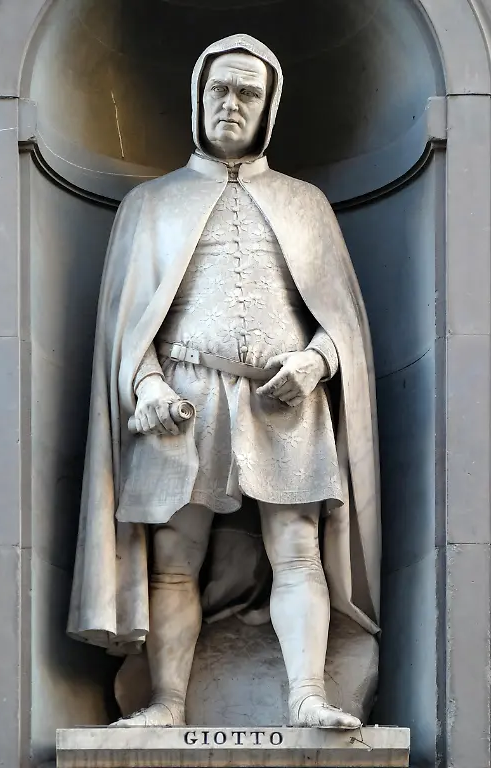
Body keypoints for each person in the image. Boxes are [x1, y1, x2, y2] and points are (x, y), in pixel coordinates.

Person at [67, 33, 381, 731]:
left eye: (247, 92)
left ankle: (306, 696)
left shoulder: (306, 204)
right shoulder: (149, 205)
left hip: (285, 401)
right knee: (175, 558)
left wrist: (315, 363)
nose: (230, 104)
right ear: (196, 98)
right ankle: (167, 704)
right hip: (184, 393)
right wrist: (146, 387)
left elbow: (342, 321)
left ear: (269, 107)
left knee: (299, 548)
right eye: (219, 89)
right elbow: (125, 327)